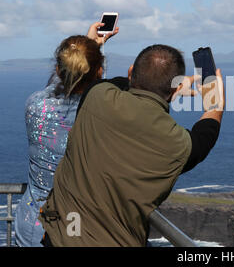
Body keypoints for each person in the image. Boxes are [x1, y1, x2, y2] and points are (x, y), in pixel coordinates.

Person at [39, 44, 224, 247]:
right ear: (176, 88)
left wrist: (165, 86)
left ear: (131, 73)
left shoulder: (97, 96)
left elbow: (118, 83)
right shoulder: (178, 144)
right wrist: (214, 102)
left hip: (58, 238)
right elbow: (206, 132)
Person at [14, 23, 118, 247]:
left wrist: (88, 50)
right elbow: (95, 93)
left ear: (58, 70)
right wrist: (95, 52)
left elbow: (71, 84)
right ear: (98, 71)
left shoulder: (35, 105)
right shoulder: (101, 113)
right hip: (75, 226)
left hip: (31, 221)